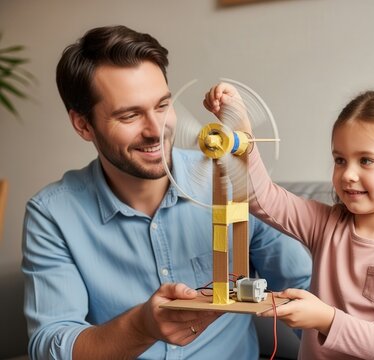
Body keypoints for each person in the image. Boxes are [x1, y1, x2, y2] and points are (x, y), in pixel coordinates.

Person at [21, 25, 312, 360]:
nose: (156, 129)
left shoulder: (232, 182)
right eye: (129, 115)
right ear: (83, 125)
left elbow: (307, 293)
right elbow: (50, 344)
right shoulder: (52, 214)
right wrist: (140, 327)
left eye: (162, 106)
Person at [204, 84, 374, 359]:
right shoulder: (327, 224)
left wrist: (326, 319)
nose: (348, 174)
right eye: (340, 160)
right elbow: (259, 197)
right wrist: (242, 131)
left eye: (366, 160)